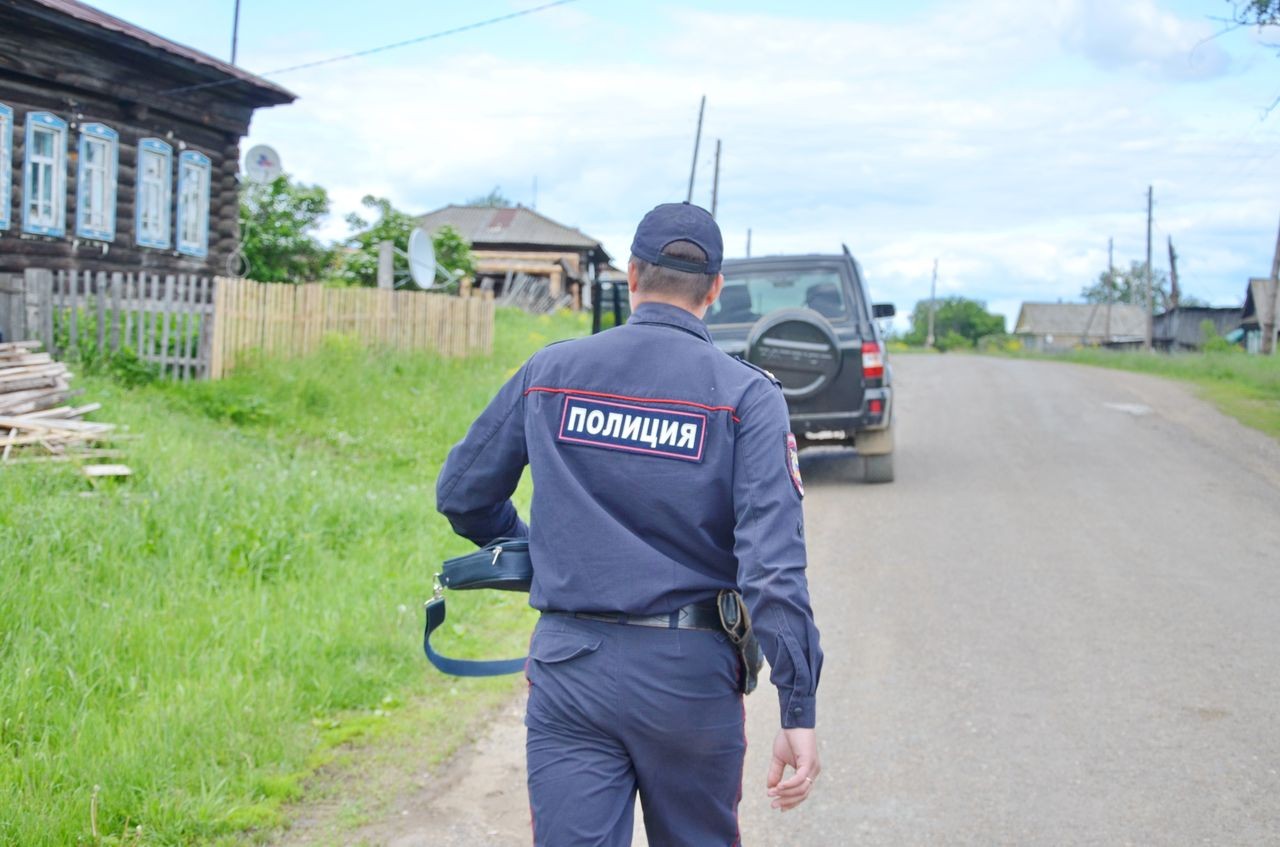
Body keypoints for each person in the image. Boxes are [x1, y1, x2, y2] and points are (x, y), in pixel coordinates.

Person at [436, 201, 823, 846]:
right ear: (717, 290)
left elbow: (462, 495)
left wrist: (539, 551)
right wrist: (798, 708)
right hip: (690, 680)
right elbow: (771, 568)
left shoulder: (550, 372)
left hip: (570, 671)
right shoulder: (747, 396)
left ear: (633, 273)